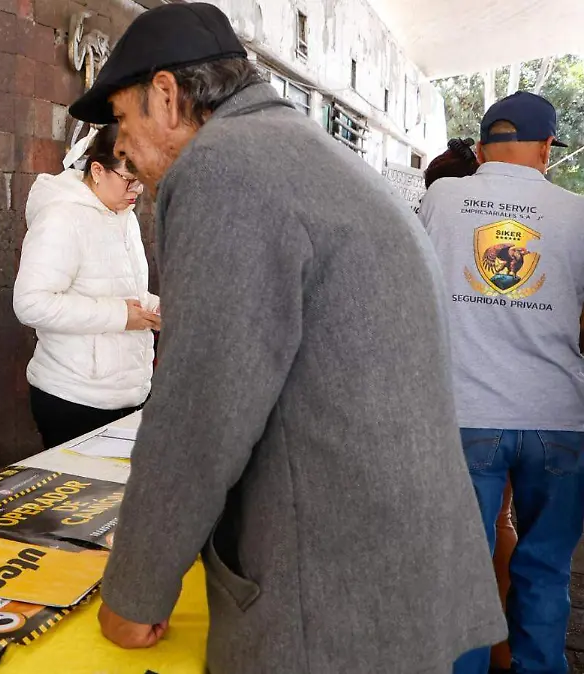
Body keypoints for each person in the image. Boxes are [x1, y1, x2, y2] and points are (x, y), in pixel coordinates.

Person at [67, 4, 505, 672]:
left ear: (166, 96)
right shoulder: (303, 151)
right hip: (394, 569)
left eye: (123, 121)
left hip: (333, 598)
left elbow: (202, 405)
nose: (119, 146)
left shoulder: (222, 170)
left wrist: (136, 590)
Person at [420, 91, 584, 674]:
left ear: (484, 144)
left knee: (461, 573)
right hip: (558, 418)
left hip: (465, 414)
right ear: (545, 148)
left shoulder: (442, 199)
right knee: (546, 570)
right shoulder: (577, 211)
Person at [424, 137, 517, 674]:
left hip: (461, 404)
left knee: (471, 534)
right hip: (514, 403)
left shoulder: (440, 232)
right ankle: (503, 649)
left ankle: (475, 651)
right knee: (498, 525)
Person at [13, 123, 160, 449]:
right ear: (97, 170)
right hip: (75, 397)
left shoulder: (125, 217)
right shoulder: (62, 218)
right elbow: (30, 303)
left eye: (143, 179)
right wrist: (120, 316)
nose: (136, 189)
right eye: (128, 178)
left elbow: (120, 291)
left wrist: (152, 307)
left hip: (128, 391)